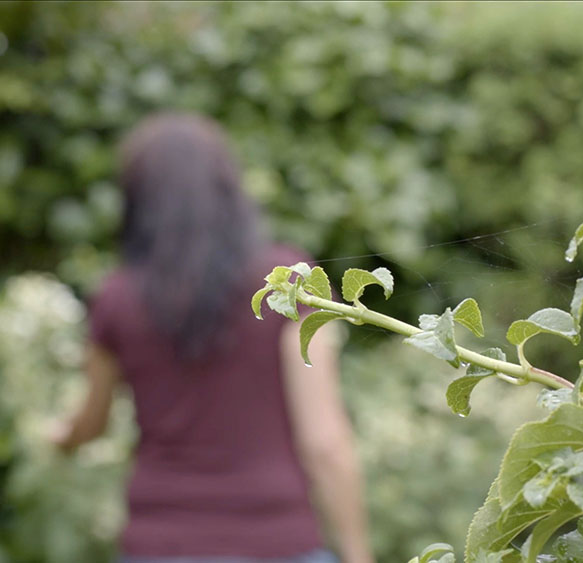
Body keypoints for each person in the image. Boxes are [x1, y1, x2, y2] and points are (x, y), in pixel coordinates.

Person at [53, 113, 373, 563]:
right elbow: (324, 440)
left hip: (160, 545)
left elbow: (92, 421)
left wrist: (59, 439)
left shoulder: (117, 298)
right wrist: (360, 554)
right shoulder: (288, 285)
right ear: (228, 189)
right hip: (278, 542)